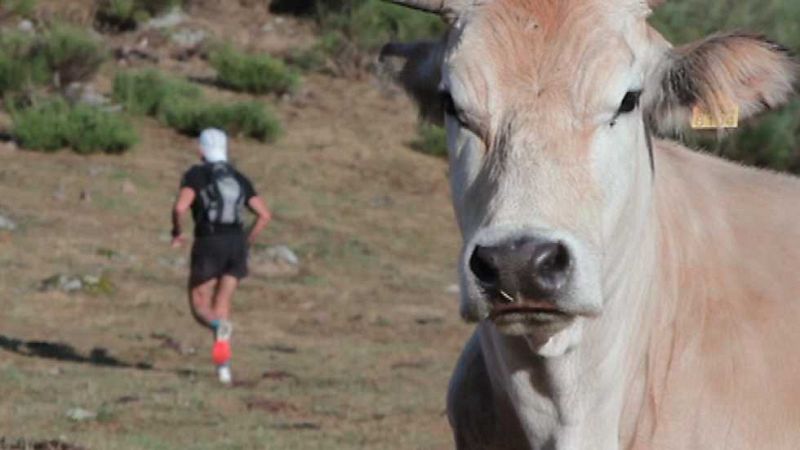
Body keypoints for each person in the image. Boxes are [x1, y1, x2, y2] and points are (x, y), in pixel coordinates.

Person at [170, 128, 271, 384]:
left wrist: (177, 232)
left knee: (199, 305)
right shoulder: (239, 177)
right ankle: (223, 370)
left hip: (209, 242)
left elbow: (180, 207)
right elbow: (264, 215)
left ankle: (218, 329)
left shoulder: (196, 174)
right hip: (236, 244)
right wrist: (246, 241)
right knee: (222, 306)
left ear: (201, 149)